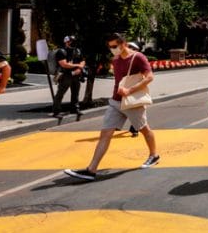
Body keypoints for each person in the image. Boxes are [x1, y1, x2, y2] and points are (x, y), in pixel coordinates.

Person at [64, 33, 159, 181]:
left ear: (123, 44)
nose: (112, 49)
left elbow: (149, 77)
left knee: (144, 129)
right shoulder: (116, 59)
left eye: (114, 46)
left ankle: (154, 155)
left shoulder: (138, 57)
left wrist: (129, 90)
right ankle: (91, 170)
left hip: (132, 102)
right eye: (110, 47)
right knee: (105, 134)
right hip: (115, 102)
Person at [52, 36, 85, 118]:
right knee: (60, 93)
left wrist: (80, 68)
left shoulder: (77, 50)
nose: (72, 42)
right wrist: (78, 65)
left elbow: (82, 60)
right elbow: (64, 64)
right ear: (66, 42)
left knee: (75, 93)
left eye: (73, 41)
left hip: (76, 75)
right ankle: (56, 111)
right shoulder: (61, 52)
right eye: (70, 41)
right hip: (65, 75)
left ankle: (75, 109)